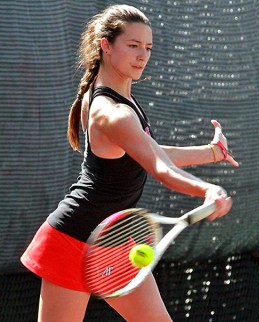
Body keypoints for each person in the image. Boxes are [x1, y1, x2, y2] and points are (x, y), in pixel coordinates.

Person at [21, 4, 239, 322]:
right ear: (106, 46)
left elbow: (145, 152)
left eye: (148, 47)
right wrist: (206, 189)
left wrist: (212, 152)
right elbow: (159, 167)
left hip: (115, 238)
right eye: (133, 45)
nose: (142, 55)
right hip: (74, 237)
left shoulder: (116, 101)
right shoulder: (112, 112)